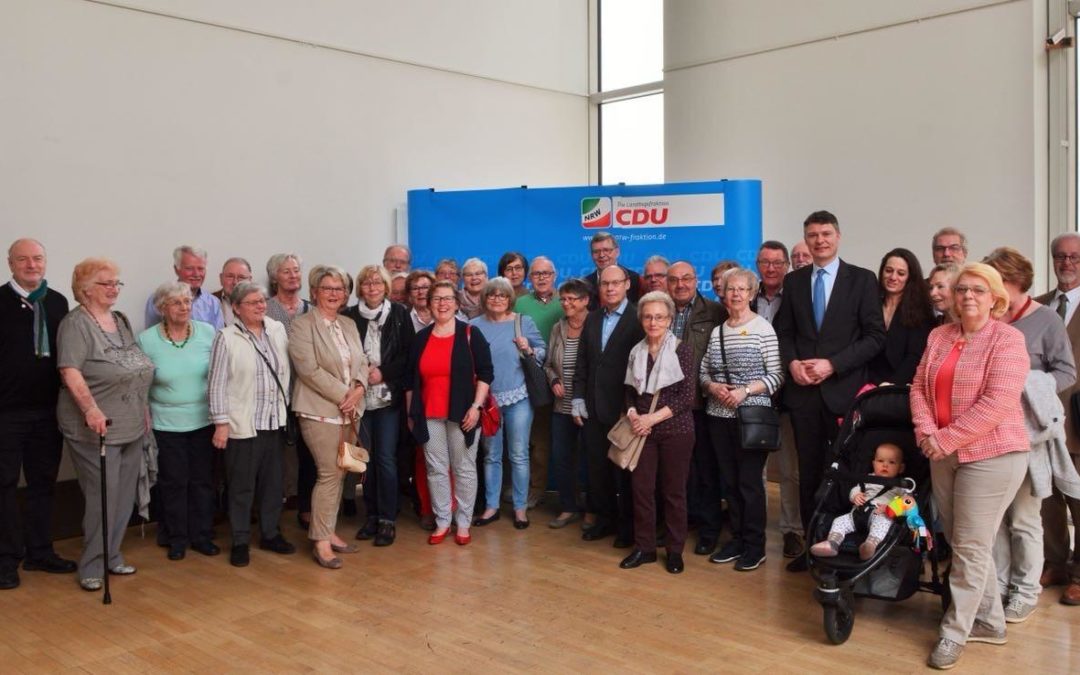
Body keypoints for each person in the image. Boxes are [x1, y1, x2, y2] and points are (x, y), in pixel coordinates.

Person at [910, 262, 1030, 669]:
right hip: (944, 454)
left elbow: (996, 404)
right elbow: (919, 387)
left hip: (994, 455)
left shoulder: (1008, 340)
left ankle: (954, 632)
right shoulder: (939, 335)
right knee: (966, 544)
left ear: (995, 297)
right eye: (962, 289)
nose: (968, 297)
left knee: (971, 547)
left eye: (978, 290)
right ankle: (991, 622)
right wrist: (927, 432)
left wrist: (942, 439)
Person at [774, 210, 886, 573]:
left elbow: (874, 337)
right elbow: (785, 333)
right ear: (805, 240)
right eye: (812, 235)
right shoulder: (794, 282)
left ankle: (844, 548)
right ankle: (811, 548)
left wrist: (833, 364)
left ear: (838, 236)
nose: (819, 240)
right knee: (808, 473)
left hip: (844, 393)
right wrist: (792, 364)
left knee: (846, 474)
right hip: (804, 394)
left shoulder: (863, 280)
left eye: (825, 234)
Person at [984, 247, 1076, 622]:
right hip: (987, 433)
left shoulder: (1046, 320)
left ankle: (1025, 591)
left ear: (1015, 281)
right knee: (995, 521)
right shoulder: (987, 317)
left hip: (1025, 433)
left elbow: (1067, 372)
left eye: (995, 281)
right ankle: (1001, 586)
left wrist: (1027, 387)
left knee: (1023, 518)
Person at [57, 258, 155, 591]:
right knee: (103, 496)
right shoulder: (75, 324)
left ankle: (112, 555)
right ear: (85, 289)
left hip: (130, 423)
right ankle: (92, 565)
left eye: (117, 283)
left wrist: (143, 409)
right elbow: (70, 370)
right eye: (106, 283)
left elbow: (133, 364)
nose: (114, 288)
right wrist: (90, 409)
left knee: (124, 495)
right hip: (95, 426)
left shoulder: (120, 320)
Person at [0, 239, 76, 590]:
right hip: (6, 414)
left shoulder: (58, 302)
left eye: (37, 259)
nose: (31, 265)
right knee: (4, 487)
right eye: (23, 259)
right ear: (10, 263)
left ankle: (40, 552)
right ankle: (6, 559)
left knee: (42, 485)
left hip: (47, 412)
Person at [700, 267, 784, 572]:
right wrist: (712, 386)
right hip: (718, 416)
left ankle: (755, 546)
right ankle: (735, 539)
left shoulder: (763, 329)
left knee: (750, 484)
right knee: (730, 483)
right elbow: (703, 372)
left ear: (752, 293)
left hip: (751, 418)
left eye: (741, 289)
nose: (735, 294)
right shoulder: (717, 331)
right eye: (729, 289)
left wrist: (744, 391)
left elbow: (777, 375)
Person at [208, 282, 296, 568]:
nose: (260, 306)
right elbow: (217, 383)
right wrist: (221, 422)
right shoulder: (226, 337)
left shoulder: (276, 330)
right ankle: (240, 540)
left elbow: (286, 371)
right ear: (236, 307)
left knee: (273, 484)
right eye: (252, 302)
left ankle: (271, 533)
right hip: (243, 424)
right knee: (242, 486)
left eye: (262, 301)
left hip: (274, 420)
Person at [289, 266, 369, 569]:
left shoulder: (348, 324)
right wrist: (343, 395)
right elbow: (308, 370)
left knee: (341, 472)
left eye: (339, 289)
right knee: (328, 473)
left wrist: (359, 388)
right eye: (328, 288)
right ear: (314, 292)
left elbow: (363, 360)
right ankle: (321, 542)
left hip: (350, 410)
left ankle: (328, 530)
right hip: (319, 411)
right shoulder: (301, 326)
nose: (334, 294)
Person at [405, 280, 494, 545]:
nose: (442, 304)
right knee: (436, 468)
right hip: (429, 413)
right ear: (429, 304)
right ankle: (443, 520)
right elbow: (410, 380)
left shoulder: (470, 333)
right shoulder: (420, 338)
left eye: (447, 299)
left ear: (456, 304)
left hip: (464, 413)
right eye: (436, 299)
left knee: (464, 468)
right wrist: (412, 413)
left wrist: (477, 407)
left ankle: (463, 522)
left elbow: (486, 373)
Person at [137, 282, 218, 561]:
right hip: (166, 423)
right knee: (173, 482)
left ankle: (202, 535)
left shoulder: (208, 333)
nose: (184, 307)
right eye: (176, 303)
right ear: (162, 309)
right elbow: (141, 385)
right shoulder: (146, 340)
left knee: (203, 481)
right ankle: (176, 537)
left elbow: (220, 376)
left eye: (187, 302)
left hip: (203, 420)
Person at [619, 291, 696, 574]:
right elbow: (628, 393)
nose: (653, 322)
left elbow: (687, 397)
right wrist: (633, 415)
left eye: (660, 317)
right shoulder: (635, 351)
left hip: (676, 430)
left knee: (674, 492)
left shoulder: (682, 350)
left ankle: (675, 551)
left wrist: (651, 418)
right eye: (648, 316)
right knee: (641, 491)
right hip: (642, 432)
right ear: (641, 319)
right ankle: (645, 548)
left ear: (669, 320)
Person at [572, 265, 645, 546]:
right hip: (592, 408)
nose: (610, 288)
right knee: (597, 470)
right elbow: (583, 362)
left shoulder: (639, 317)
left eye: (616, 283)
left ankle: (627, 528)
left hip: (624, 410)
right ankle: (604, 520)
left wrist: (632, 406)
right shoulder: (592, 319)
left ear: (628, 284)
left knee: (625, 472)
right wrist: (577, 397)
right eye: (605, 284)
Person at [343, 265, 414, 546]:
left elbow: (408, 354)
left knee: (385, 458)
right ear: (360, 288)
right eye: (366, 283)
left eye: (377, 283)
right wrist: (362, 375)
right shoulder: (349, 316)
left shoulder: (399, 314)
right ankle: (371, 516)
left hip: (387, 398)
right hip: (359, 399)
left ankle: (387, 518)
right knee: (365, 459)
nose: (372, 288)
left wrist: (383, 374)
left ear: (386, 287)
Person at [471, 277, 546, 528]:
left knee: (519, 454)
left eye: (502, 295)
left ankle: (520, 508)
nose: (497, 299)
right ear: (485, 298)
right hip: (488, 400)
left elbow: (542, 350)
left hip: (519, 398)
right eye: (492, 295)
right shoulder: (473, 326)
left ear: (510, 299)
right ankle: (491, 507)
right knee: (491, 454)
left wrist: (530, 348)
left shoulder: (522, 322)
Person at [666, 261, 724, 556]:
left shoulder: (714, 312)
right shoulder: (660, 310)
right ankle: (680, 523)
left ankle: (709, 529)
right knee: (677, 471)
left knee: (705, 470)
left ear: (695, 280)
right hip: (666, 406)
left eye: (686, 279)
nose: (680, 285)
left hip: (701, 404)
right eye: (674, 280)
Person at [1037, 232, 1080, 606]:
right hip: (1043, 422)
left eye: (1074, 257)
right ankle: (1055, 563)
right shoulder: (1038, 307)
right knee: (1048, 499)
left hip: (1079, 421)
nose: (1066, 263)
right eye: (1060, 257)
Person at [753, 241, 803, 558]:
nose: (771, 268)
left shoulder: (798, 297)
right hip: (752, 396)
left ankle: (791, 530)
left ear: (786, 265)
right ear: (757, 265)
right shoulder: (745, 296)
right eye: (765, 262)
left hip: (789, 393)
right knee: (753, 468)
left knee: (789, 470)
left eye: (777, 263)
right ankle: (754, 527)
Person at [264, 252, 315, 527]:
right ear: (274, 277)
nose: (293, 275)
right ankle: (271, 513)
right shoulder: (266, 308)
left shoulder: (311, 308)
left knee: (308, 454)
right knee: (274, 457)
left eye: (296, 270)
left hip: (307, 393)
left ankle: (306, 509)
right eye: (286, 271)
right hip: (275, 394)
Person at [515, 256, 563, 508]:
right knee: (537, 440)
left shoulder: (566, 300)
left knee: (567, 442)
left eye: (546, 273)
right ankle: (536, 489)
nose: (542, 277)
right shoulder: (520, 303)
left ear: (555, 275)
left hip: (563, 378)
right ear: (529, 278)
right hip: (530, 379)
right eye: (536, 274)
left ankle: (572, 496)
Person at [809, 443, 907, 560]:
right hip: (857, 513)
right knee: (839, 521)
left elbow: (907, 502)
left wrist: (890, 508)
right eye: (880, 461)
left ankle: (870, 546)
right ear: (873, 463)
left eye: (891, 462)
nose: (885, 465)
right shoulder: (867, 478)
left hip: (880, 513)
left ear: (901, 468)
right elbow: (855, 489)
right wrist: (855, 496)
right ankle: (832, 543)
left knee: (883, 523)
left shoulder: (901, 485)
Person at [544, 278, 590, 528]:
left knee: (591, 459)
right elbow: (548, 364)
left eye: (571, 298)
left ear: (585, 301)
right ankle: (568, 507)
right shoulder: (557, 328)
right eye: (563, 298)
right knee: (562, 457)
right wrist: (553, 381)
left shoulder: (595, 325)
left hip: (589, 407)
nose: (566, 303)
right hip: (561, 405)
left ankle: (593, 509)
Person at [868, 248, 935, 385]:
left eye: (901, 273)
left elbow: (915, 357)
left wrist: (890, 386)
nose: (893, 277)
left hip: (899, 388)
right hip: (866, 383)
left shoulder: (921, 310)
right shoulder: (869, 304)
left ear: (910, 277)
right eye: (888, 270)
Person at [145, 246, 224, 330]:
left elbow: (217, 339)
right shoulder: (158, 299)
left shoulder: (213, 303)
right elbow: (152, 337)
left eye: (201, 269)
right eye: (189, 268)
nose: (196, 274)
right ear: (176, 269)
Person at [584, 232, 641, 310]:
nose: (601, 255)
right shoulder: (585, 284)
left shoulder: (634, 279)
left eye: (606, 250)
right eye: (596, 252)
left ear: (617, 252)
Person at [212, 257, 252, 327]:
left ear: (250, 280)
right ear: (221, 278)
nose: (235, 282)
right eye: (230, 276)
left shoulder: (260, 304)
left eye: (241, 277)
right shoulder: (208, 302)